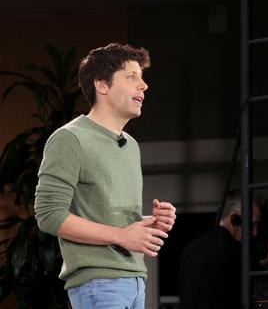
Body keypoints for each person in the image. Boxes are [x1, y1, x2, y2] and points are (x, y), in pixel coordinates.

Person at [34, 43, 177, 309]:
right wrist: (122, 236)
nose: (143, 86)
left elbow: (108, 220)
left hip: (134, 281)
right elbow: (48, 214)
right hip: (98, 283)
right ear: (102, 85)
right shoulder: (70, 139)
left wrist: (150, 223)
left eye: (142, 78)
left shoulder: (130, 145)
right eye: (131, 77)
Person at [178, 192, 262, 309]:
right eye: (252, 225)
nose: (254, 233)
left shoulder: (190, 249)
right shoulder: (238, 253)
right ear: (234, 219)